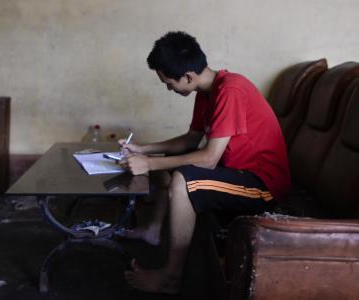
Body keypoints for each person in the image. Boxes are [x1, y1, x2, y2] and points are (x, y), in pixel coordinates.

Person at [117, 31, 291, 294]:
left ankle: (171, 278)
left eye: (169, 83)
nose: (169, 89)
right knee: (172, 165)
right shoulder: (206, 92)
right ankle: (153, 230)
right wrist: (143, 149)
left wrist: (149, 164)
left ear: (188, 76)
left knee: (185, 180)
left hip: (262, 185)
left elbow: (208, 159)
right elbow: (190, 140)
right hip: (237, 174)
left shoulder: (230, 90)